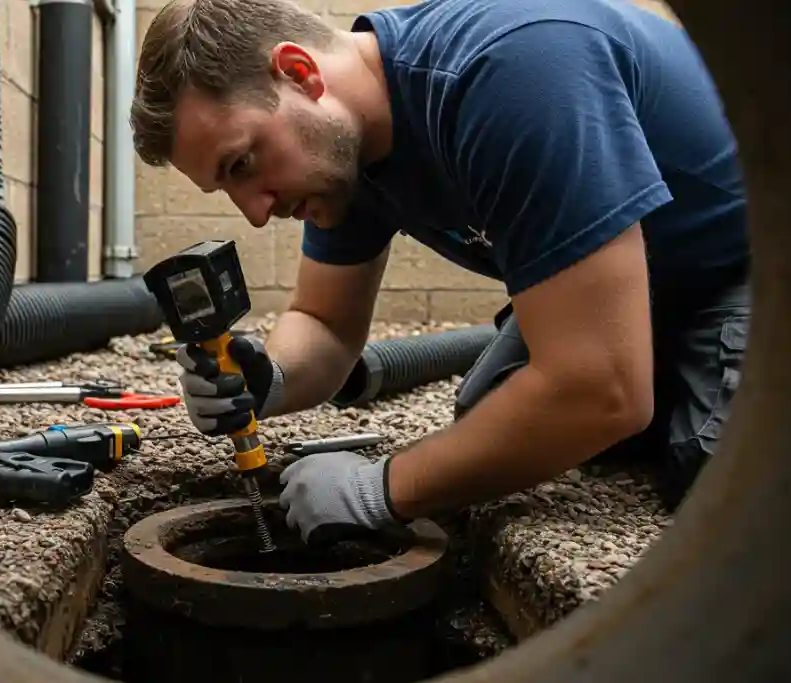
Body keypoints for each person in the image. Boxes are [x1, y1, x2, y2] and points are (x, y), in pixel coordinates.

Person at [130, 0, 751, 544]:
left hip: (755, 271)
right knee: (497, 417)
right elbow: (324, 322)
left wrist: (381, 489)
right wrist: (270, 380)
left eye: (242, 164)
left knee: (714, 460)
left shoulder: (512, 75)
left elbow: (597, 389)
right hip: (643, 290)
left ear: (300, 73)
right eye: (227, 188)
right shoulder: (346, 150)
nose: (256, 214)